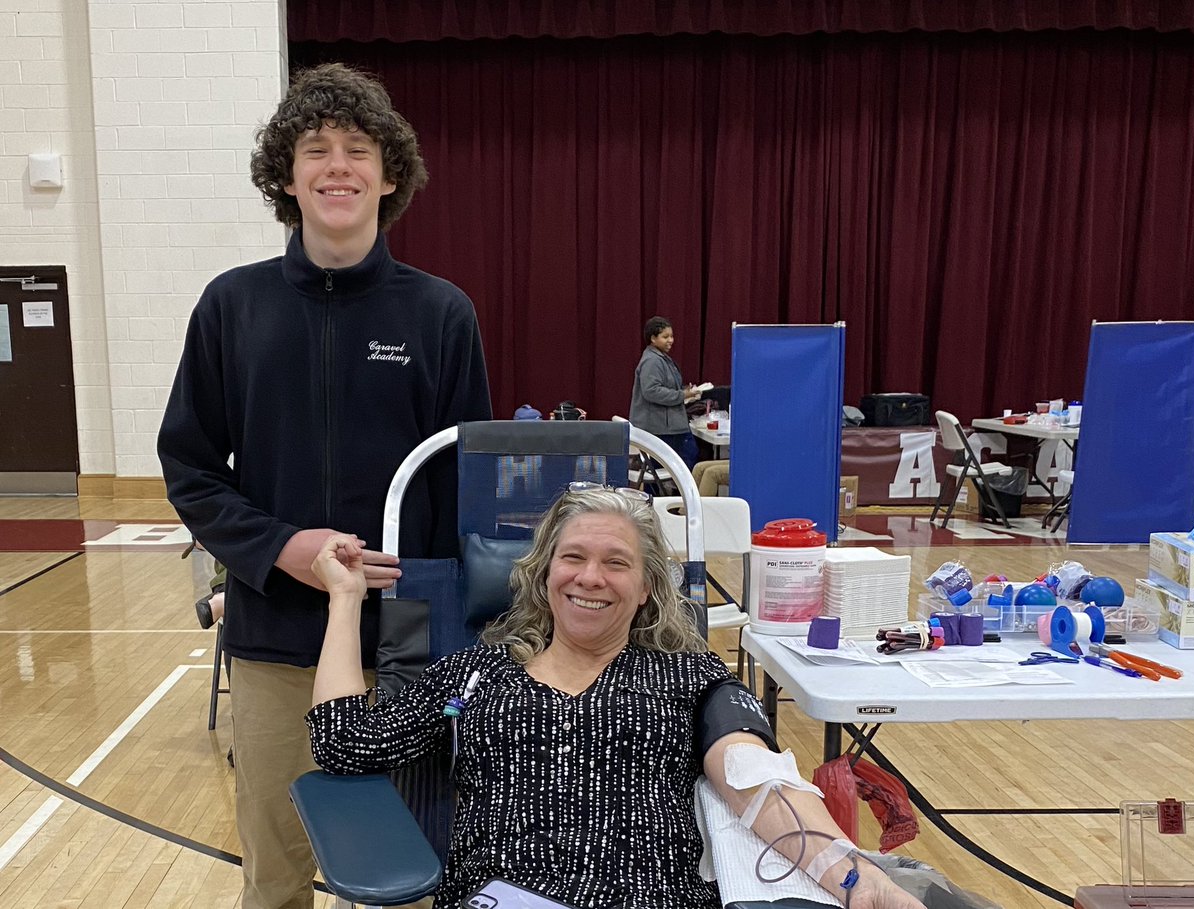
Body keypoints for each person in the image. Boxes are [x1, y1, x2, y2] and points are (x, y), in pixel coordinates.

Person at [157, 62, 492, 909]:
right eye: (316, 149)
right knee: (274, 873)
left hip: (411, 650)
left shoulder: (441, 313)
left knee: (410, 872)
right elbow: (190, 467)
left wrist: (457, 633)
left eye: (357, 149)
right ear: (286, 175)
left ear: (389, 176)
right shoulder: (231, 308)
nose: (337, 165)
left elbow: (468, 493)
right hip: (277, 644)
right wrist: (282, 548)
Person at [305, 487, 923, 909]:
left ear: (650, 587)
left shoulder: (687, 677)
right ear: (544, 573)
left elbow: (756, 779)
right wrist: (345, 598)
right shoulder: (476, 675)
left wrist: (850, 872)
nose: (590, 578)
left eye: (617, 563)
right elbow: (342, 739)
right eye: (572, 557)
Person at [629, 315, 700, 471]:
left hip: (664, 426)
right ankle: (680, 494)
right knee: (689, 458)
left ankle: (663, 494)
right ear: (653, 338)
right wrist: (682, 395)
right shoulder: (652, 361)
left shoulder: (661, 358)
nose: (671, 340)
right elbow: (651, 391)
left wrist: (684, 391)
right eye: (665, 337)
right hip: (661, 428)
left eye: (672, 336)